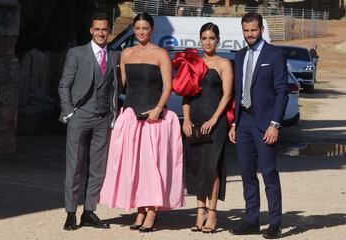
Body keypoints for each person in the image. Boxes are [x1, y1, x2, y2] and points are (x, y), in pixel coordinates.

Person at [99, 12, 184, 232]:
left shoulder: (161, 54)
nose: (141, 32)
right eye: (137, 28)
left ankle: (152, 210)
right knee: (132, 165)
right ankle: (139, 209)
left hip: (153, 117)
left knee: (150, 165)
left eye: (145, 28)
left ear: (152, 30)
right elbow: (121, 85)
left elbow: (168, 87)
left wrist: (157, 109)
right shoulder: (126, 53)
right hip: (130, 115)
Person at [228, 12, 288, 239]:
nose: (249, 34)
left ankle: (275, 223)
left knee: (269, 173)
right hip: (244, 122)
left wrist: (275, 124)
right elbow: (238, 91)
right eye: (246, 30)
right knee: (246, 174)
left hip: (265, 123)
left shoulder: (275, 54)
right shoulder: (240, 55)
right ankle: (251, 220)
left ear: (261, 29)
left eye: (253, 30)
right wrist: (235, 122)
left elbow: (281, 91)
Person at [58, 13, 120, 230]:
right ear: (91, 31)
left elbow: (115, 88)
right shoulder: (76, 53)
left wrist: (113, 114)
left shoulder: (115, 56)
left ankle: (90, 212)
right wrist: (69, 112)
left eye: (104, 30)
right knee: (74, 166)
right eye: (97, 29)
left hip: (103, 118)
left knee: (97, 167)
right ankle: (71, 212)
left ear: (109, 31)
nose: (101, 33)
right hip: (80, 116)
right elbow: (64, 85)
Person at [182, 23, 233, 233]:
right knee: (197, 168)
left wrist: (213, 120)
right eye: (204, 38)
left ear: (218, 40)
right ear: (200, 40)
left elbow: (228, 95)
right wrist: (185, 119)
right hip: (193, 121)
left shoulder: (224, 63)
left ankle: (212, 213)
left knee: (212, 168)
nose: (208, 41)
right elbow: (186, 93)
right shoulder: (193, 63)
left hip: (215, 123)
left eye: (211, 37)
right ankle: (200, 210)